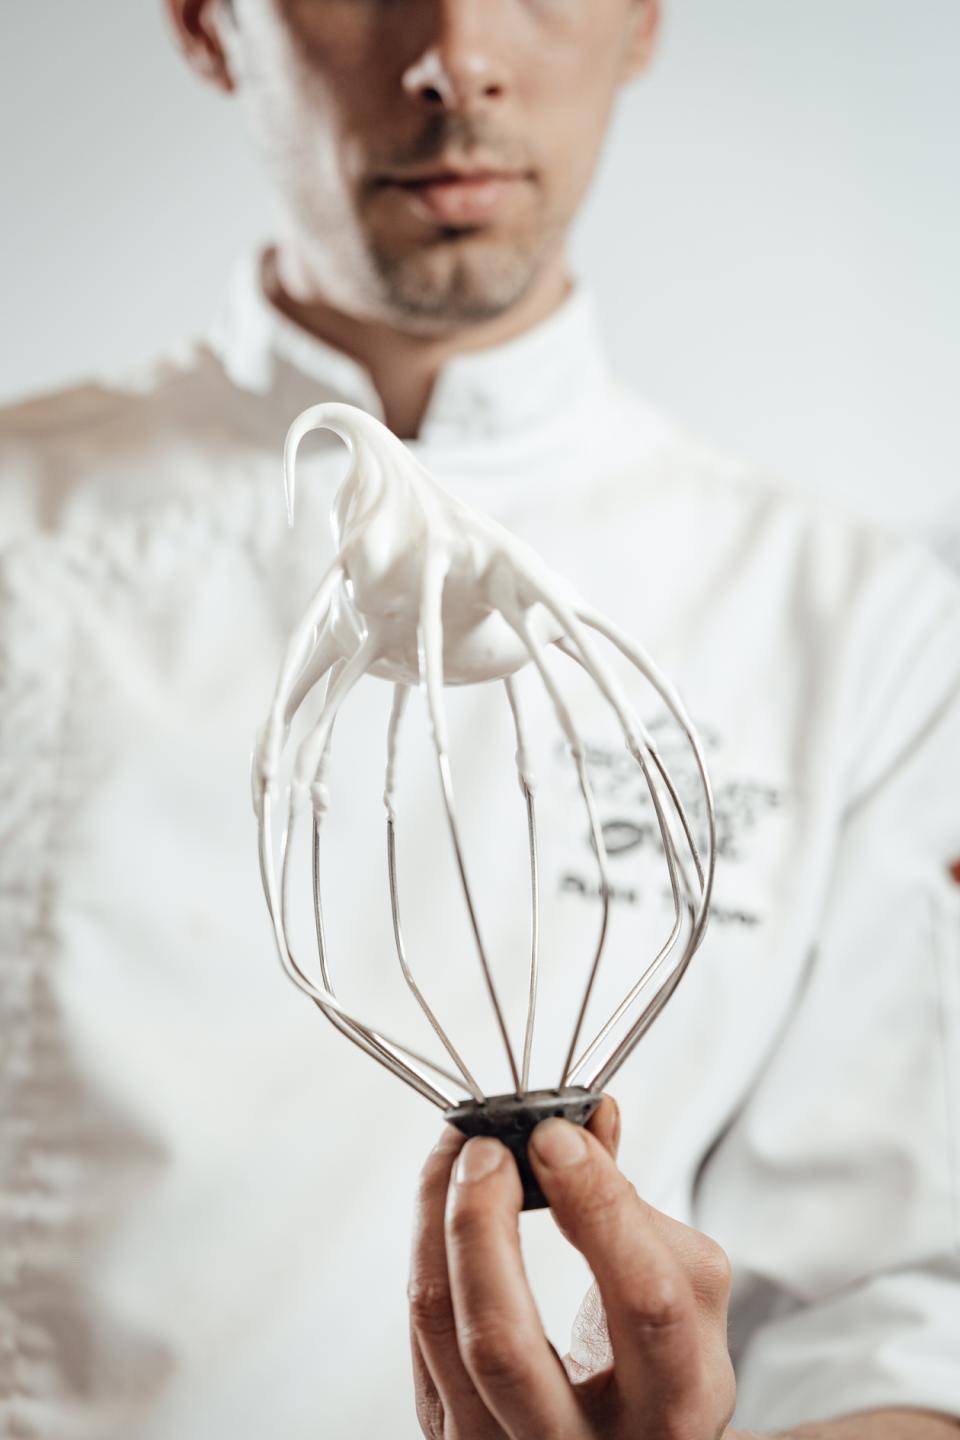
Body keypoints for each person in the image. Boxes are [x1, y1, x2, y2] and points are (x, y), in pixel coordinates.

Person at [1, 2, 958, 1437]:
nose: (454, 55)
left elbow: (888, 1330)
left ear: (643, 16)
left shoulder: (862, 621)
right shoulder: (25, 535)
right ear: (209, 27)